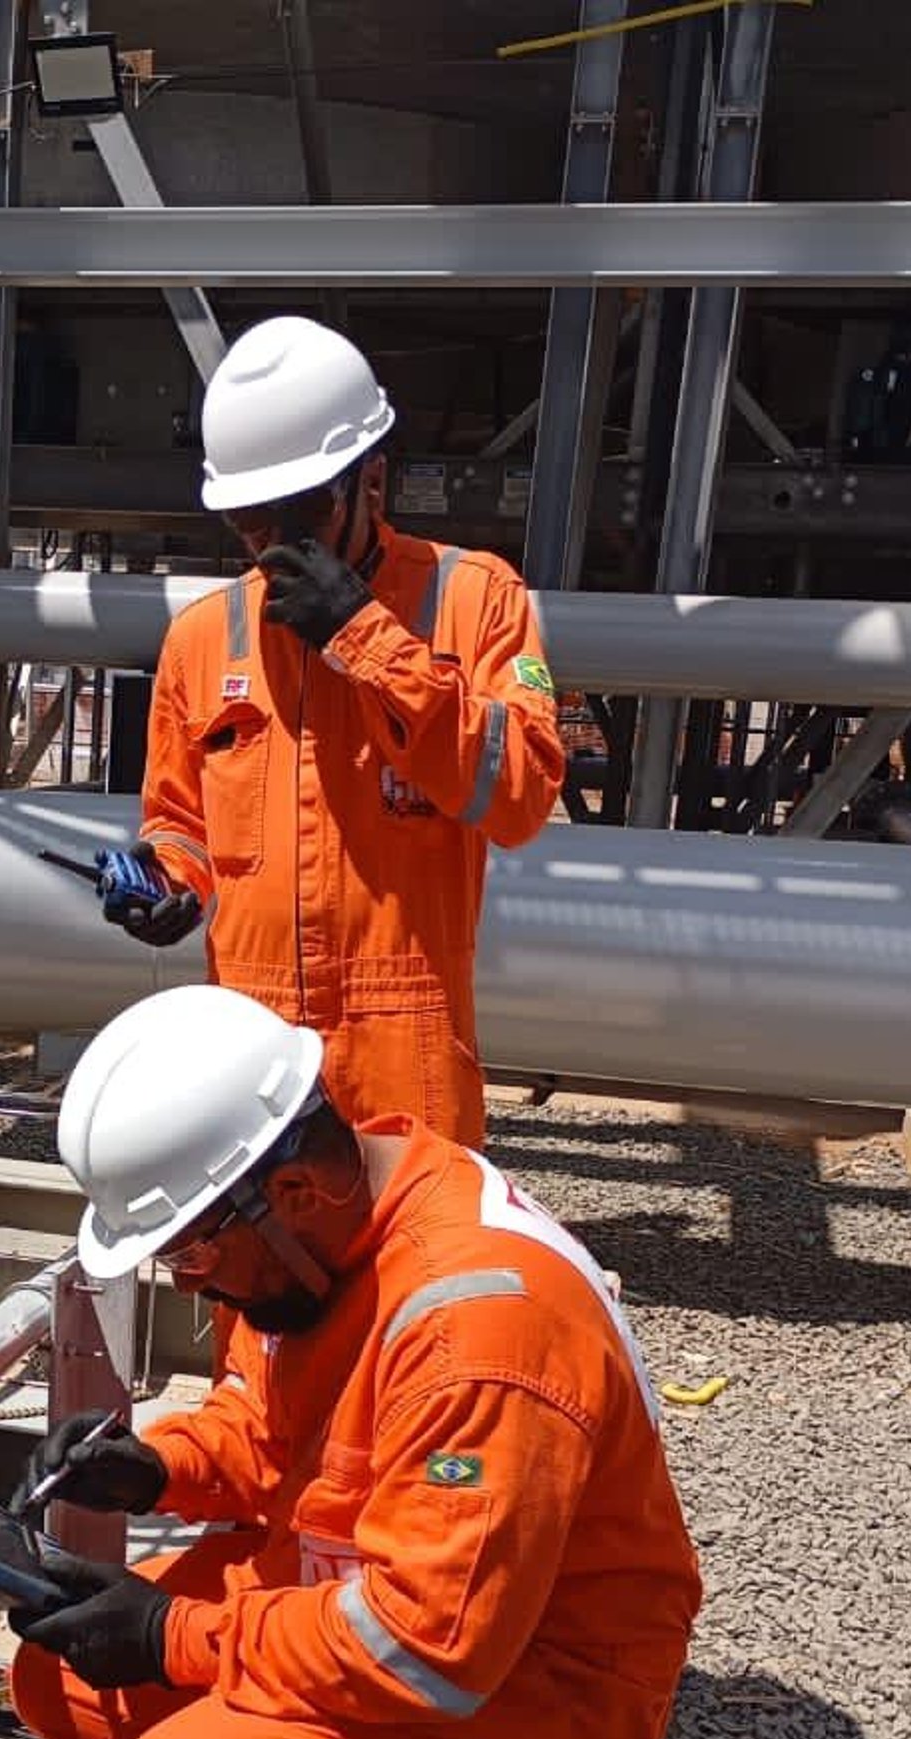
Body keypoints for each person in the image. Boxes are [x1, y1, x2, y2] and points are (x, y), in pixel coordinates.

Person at [4, 984, 700, 1739]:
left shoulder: (480, 1322)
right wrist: (159, 1465)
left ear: (292, 1189)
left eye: (190, 1247)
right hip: (384, 1596)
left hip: (535, 1679)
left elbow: (432, 1654)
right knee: (60, 1679)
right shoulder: (328, 1232)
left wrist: (177, 1636)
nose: (186, 1277)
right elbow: (276, 1434)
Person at [99, 317, 565, 1150]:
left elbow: (521, 796)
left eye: (302, 510)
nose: (275, 541)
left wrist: (364, 635)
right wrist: (163, 882)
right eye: (250, 519)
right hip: (249, 1041)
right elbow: (184, 826)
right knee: (254, 1275)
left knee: (413, 1270)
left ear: (371, 481)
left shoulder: (474, 600)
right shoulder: (205, 639)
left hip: (406, 1047)